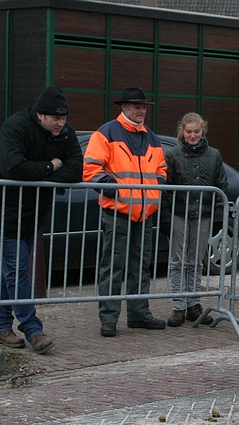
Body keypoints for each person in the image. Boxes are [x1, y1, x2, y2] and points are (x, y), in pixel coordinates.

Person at [0, 85, 82, 353]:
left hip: (32, 212)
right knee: (17, 268)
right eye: (56, 119)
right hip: (2, 210)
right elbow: (13, 167)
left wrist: (38, 173)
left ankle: (0, 327)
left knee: (9, 270)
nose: (61, 124)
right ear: (40, 115)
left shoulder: (65, 133)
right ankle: (32, 328)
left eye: (64, 118)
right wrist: (51, 166)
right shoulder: (15, 127)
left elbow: (75, 170)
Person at [83, 87, 168, 338]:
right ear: (124, 108)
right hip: (118, 212)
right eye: (136, 106)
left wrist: (157, 188)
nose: (141, 111)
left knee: (140, 266)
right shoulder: (105, 133)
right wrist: (118, 193)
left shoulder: (151, 137)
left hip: (144, 213)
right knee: (113, 267)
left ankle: (139, 313)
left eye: (143, 107)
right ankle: (109, 319)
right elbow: (91, 170)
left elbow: (161, 169)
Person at [163, 112, 228, 327]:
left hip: (204, 213)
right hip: (179, 212)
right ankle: (178, 306)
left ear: (203, 131)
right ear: (182, 131)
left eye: (196, 132)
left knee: (196, 260)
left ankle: (193, 304)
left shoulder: (214, 155)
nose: (193, 135)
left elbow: (221, 185)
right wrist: (166, 215)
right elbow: (166, 187)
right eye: (189, 131)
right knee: (178, 260)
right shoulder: (172, 154)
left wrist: (216, 212)